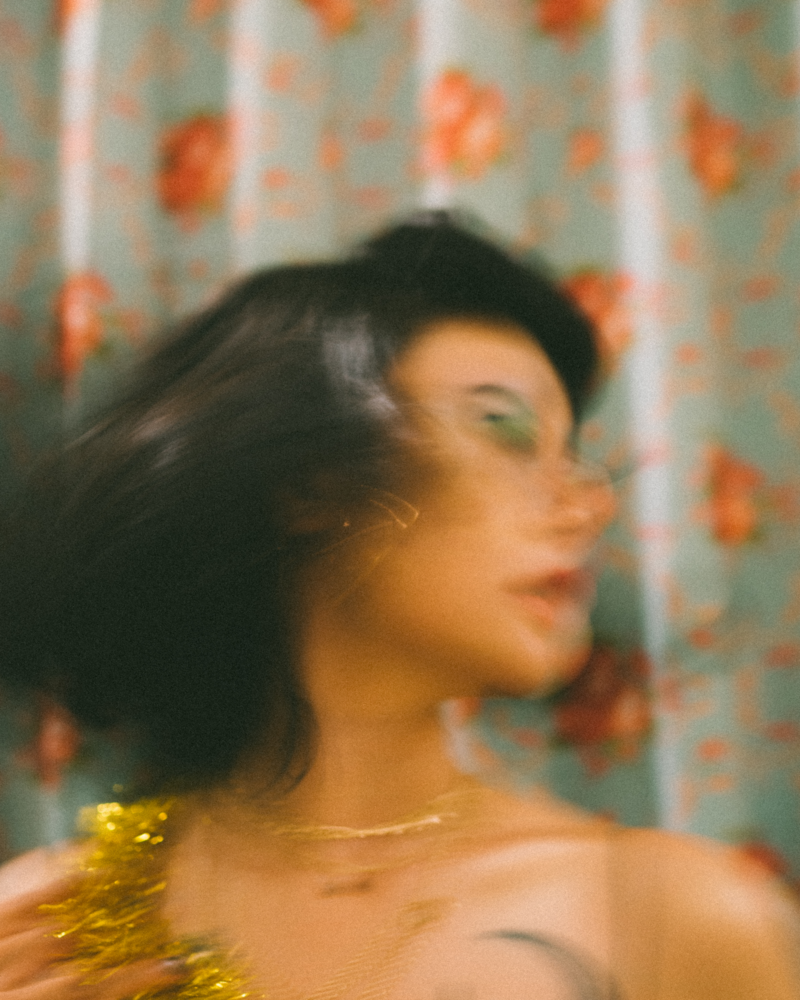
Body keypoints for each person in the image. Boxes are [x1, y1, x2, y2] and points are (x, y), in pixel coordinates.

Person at [0, 212, 797, 1000]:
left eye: (574, 454)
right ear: (310, 479)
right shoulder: (52, 930)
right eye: (504, 426)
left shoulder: (679, 920)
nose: (588, 504)